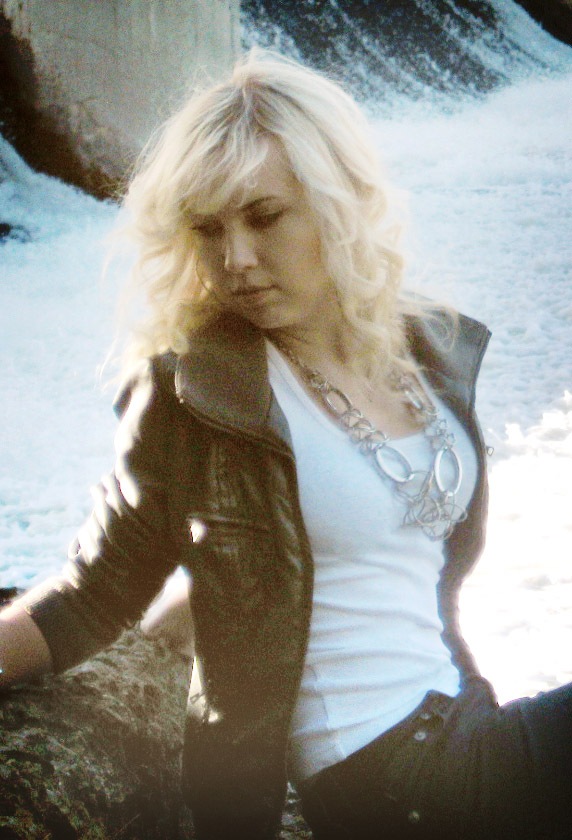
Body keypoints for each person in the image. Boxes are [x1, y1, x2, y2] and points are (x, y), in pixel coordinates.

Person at [0, 50, 570, 840]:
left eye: (264, 217)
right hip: (382, 775)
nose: (236, 259)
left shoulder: (422, 349)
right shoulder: (198, 394)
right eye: (209, 229)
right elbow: (91, 592)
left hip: (463, 723)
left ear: (338, 204)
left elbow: (359, 570)